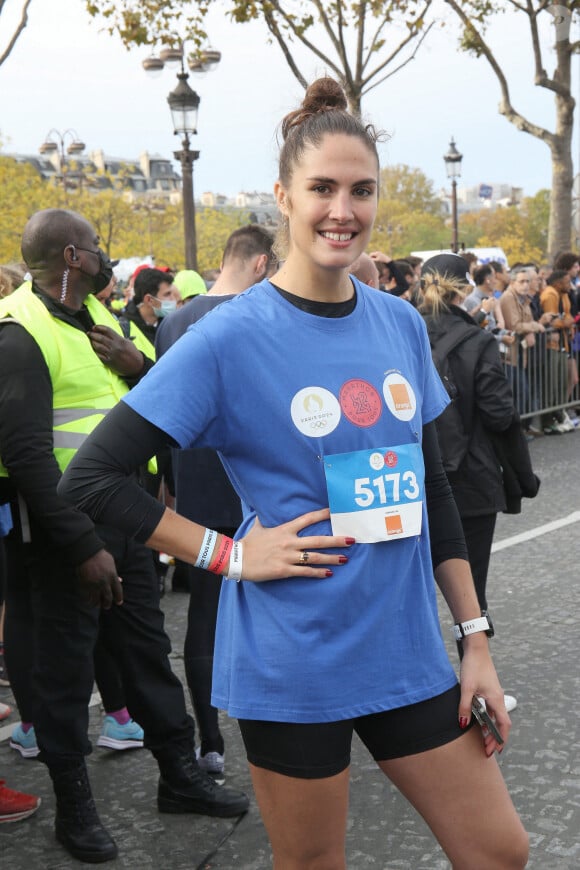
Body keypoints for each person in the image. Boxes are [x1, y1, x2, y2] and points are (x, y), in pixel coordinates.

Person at [60, 78, 528, 869]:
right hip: (292, 656)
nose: (342, 209)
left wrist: (474, 638)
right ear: (283, 196)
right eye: (322, 188)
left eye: (361, 190)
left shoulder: (398, 321)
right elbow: (93, 479)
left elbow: (430, 488)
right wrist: (233, 555)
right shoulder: (228, 336)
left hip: (405, 651)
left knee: (500, 852)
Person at [0, 209, 248, 864]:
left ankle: (179, 774)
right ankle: (73, 806)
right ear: (75, 258)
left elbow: (146, 405)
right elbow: (26, 457)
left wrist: (140, 363)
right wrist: (82, 546)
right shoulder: (19, 333)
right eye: (98, 247)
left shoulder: (102, 318)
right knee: (63, 672)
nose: (107, 255)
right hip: (63, 535)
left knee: (144, 648)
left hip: (128, 516)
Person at [156, 224, 276, 783]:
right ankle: (281, 731)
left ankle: (211, 741)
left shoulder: (171, 322)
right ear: (259, 264)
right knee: (275, 610)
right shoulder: (262, 316)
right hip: (258, 490)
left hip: (196, 491)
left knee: (203, 617)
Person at [121, 267, 181, 343]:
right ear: (149, 300)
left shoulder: (171, 325)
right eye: (167, 294)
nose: (173, 299)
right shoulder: (125, 331)